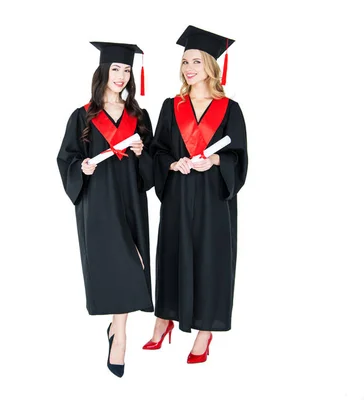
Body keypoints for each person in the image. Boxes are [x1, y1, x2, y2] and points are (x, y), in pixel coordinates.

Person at [142, 25, 248, 363]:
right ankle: (164, 319)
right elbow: (157, 151)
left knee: (211, 259)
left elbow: (239, 156)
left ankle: (205, 330)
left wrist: (215, 159)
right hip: (178, 194)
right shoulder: (170, 106)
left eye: (196, 62)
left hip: (213, 198)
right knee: (172, 253)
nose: (189, 68)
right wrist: (174, 165)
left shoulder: (230, 109)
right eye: (185, 61)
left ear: (211, 68)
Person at [56, 41, 154, 377]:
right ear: (103, 72)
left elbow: (150, 172)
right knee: (118, 265)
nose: (122, 76)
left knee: (134, 262)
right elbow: (66, 158)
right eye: (116, 69)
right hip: (98, 202)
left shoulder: (138, 117)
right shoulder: (83, 116)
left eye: (127, 70)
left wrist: (142, 153)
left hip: (129, 201)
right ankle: (121, 336)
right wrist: (79, 168)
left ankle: (117, 330)